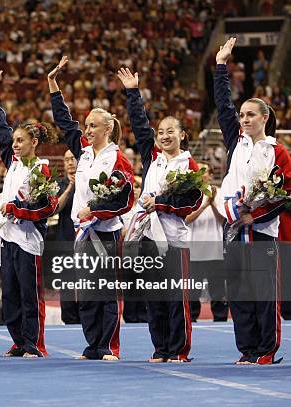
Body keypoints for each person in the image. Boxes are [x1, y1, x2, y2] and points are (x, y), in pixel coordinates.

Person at [49, 57, 134, 360]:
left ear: (108, 128)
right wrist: (53, 85)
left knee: (106, 292)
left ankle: (109, 345)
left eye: (93, 125)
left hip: (105, 235)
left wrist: (95, 211)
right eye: (86, 125)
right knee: (86, 292)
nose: (87, 130)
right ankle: (92, 344)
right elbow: (64, 122)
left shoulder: (117, 159)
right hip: (81, 234)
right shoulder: (83, 154)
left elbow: (125, 198)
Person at [214, 38, 290, 365]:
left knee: (263, 294)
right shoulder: (236, 143)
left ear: (264, 117)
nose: (243, 120)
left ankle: (267, 349)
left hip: (261, 232)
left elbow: (283, 191)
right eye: (241, 115)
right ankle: (246, 349)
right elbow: (222, 105)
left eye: (249, 115)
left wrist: (254, 216)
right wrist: (220, 66)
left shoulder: (277, 151)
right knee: (240, 295)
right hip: (233, 228)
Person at [118, 67, 203, 363]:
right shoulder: (152, 158)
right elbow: (140, 127)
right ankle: (160, 348)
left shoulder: (189, 165)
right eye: (162, 132)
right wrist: (132, 93)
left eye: (171, 131)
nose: (165, 135)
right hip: (148, 241)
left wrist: (161, 203)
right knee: (154, 298)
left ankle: (178, 350)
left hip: (174, 240)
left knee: (175, 299)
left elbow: (191, 202)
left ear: (182, 135)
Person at [0, 72, 58, 358]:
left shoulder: (40, 168)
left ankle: (34, 343)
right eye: (14, 141)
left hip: (28, 240)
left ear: (33, 142)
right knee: (11, 296)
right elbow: (1, 131)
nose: (14, 145)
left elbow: (47, 207)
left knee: (30, 294)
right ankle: (18, 340)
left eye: (20, 141)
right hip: (7, 239)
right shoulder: (13, 165)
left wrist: (20, 210)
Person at [185, 163, 227, 322]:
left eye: (204, 171)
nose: (201, 175)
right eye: (198, 171)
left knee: (217, 286)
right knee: (193, 287)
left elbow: (223, 219)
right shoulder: (189, 194)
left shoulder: (219, 192)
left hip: (214, 247)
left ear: (210, 174)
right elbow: (187, 219)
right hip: (194, 248)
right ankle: (192, 317)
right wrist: (204, 205)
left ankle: (221, 317)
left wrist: (213, 203)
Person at [54, 150, 79, 325]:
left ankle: (88, 317)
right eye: (67, 159)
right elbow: (55, 209)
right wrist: (70, 187)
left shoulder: (90, 182)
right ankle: (69, 319)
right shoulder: (60, 184)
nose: (70, 163)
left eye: (73, 159)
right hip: (65, 238)